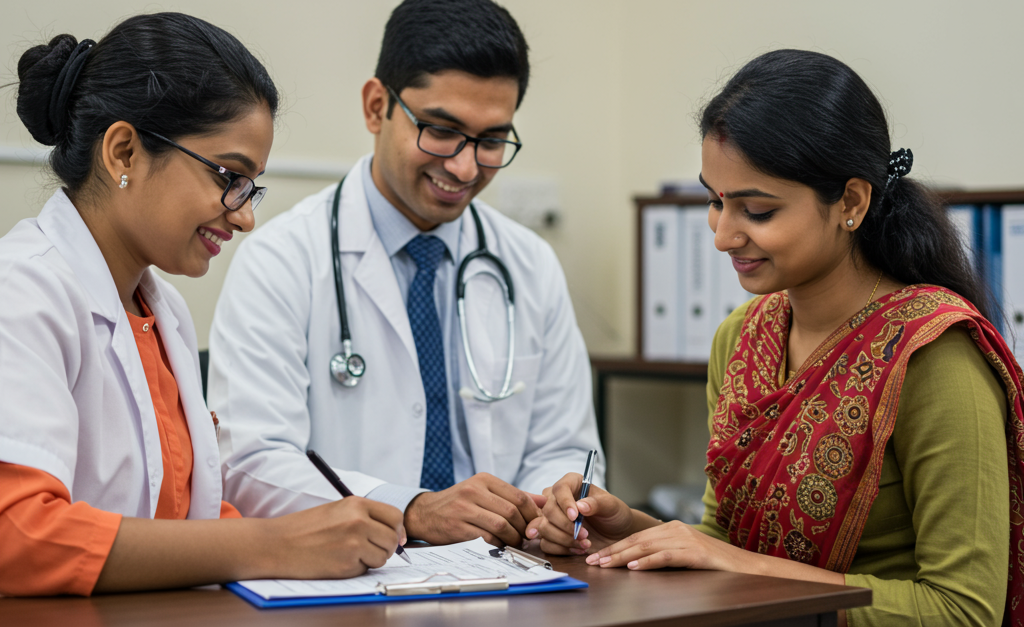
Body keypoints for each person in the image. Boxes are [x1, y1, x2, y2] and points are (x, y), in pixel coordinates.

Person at [529, 49, 1024, 626]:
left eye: (757, 211)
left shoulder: (934, 352)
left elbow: (964, 611)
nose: (722, 236)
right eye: (715, 202)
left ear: (852, 203)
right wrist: (628, 528)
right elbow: (723, 538)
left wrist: (735, 564)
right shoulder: (742, 338)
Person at [0, 13, 405, 597]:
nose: (244, 215)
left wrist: (343, 540)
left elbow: (189, 520)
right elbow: (19, 535)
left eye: (251, 186)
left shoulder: (162, 312)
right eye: (228, 176)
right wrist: (277, 544)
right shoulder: (24, 290)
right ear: (123, 153)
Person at [208, 0, 603, 548]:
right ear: (376, 107)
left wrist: (558, 505)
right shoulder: (283, 259)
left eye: (491, 141)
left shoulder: (528, 265)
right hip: (351, 579)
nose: (465, 167)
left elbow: (565, 445)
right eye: (441, 130)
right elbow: (252, 464)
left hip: (510, 573)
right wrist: (409, 509)